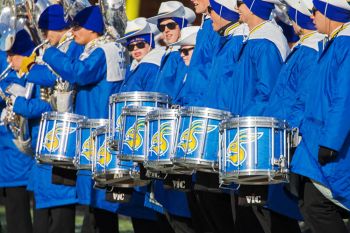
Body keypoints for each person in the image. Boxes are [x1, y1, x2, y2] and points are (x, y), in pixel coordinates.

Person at [41, 6, 126, 232]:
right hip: (96, 136)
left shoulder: (103, 50)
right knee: (97, 211)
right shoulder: (101, 49)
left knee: (103, 211)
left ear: (92, 29)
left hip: (100, 136)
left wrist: (50, 52)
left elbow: (78, 72)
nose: (72, 31)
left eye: (78, 27)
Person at [20, 5, 84, 233]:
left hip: (62, 136)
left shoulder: (73, 47)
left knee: (59, 217)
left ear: (58, 28)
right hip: (47, 137)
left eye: (47, 31)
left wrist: (30, 69)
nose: (45, 38)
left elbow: (58, 79)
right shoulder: (59, 47)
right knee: (43, 217)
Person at [291, 1, 350, 232]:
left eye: (315, 10)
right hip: (315, 140)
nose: (311, 16)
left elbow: (344, 97)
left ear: (328, 12)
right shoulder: (333, 43)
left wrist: (330, 142)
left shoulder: (345, 45)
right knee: (308, 202)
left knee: (316, 204)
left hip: (332, 146)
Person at [0, 30, 35, 233]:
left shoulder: (29, 75)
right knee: (14, 211)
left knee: (21, 212)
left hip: (19, 150)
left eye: (12, 55)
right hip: (9, 153)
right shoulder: (11, 75)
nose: (8, 60)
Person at [148, 1, 196, 99]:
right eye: (161, 27)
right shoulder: (169, 52)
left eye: (171, 25)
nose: (166, 30)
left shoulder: (182, 54)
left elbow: (179, 91)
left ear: (181, 25)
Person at [118, 17, 164, 92]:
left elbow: (151, 98)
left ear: (150, 44)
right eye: (131, 46)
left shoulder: (152, 66)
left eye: (140, 45)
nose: (135, 48)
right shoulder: (133, 66)